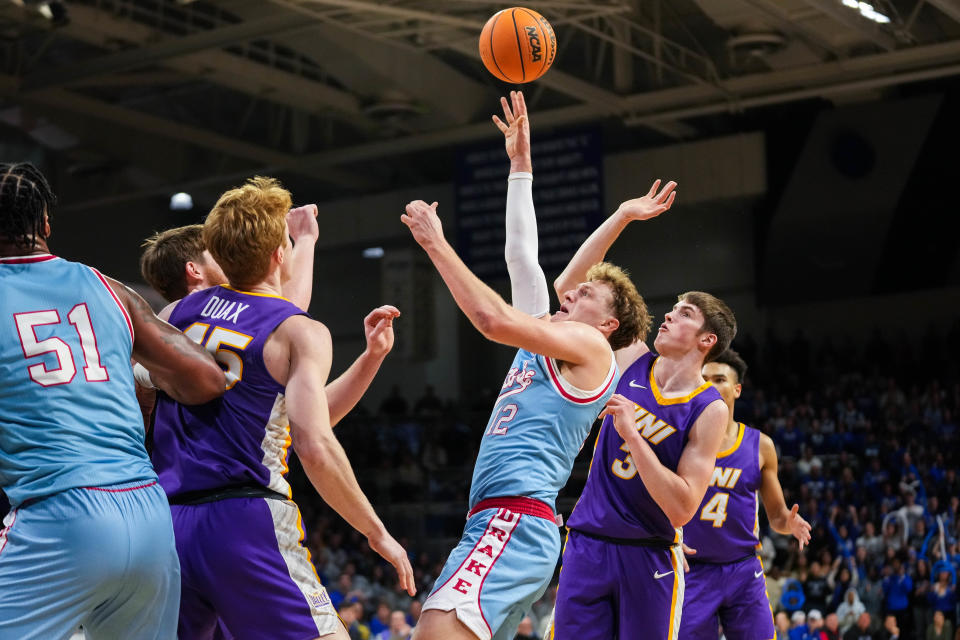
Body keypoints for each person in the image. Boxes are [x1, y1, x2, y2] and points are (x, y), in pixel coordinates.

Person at [403, 92, 651, 640]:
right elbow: (522, 254)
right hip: (500, 524)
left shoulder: (588, 349)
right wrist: (520, 166)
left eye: (587, 294)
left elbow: (491, 319)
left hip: (512, 521)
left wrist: (436, 244)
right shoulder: (552, 338)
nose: (572, 289)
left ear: (607, 325)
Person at [148, 176, 415, 640]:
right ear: (279, 254)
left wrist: (370, 357)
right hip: (244, 520)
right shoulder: (296, 331)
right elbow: (313, 442)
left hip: (169, 524)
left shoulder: (173, 317)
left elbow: (284, 413)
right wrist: (375, 531)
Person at [0, 161, 226, 638]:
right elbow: (206, 378)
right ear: (45, 224)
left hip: (57, 516)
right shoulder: (109, 288)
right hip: (147, 513)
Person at [548, 164, 735, 637]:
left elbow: (683, 509)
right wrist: (622, 217)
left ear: (707, 339)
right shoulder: (632, 359)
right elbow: (570, 290)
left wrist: (633, 435)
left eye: (685, 313)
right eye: (673, 307)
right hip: (588, 543)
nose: (669, 314)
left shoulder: (709, 408)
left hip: (651, 552)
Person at [680, 349, 812, 639]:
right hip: (693, 569)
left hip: (743, 568)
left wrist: (789, 524)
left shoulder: (760, 446)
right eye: (704, 380)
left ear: (737, 389)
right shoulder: (678, 441)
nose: (711, 386)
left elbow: (777, 515)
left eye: (719, 379)